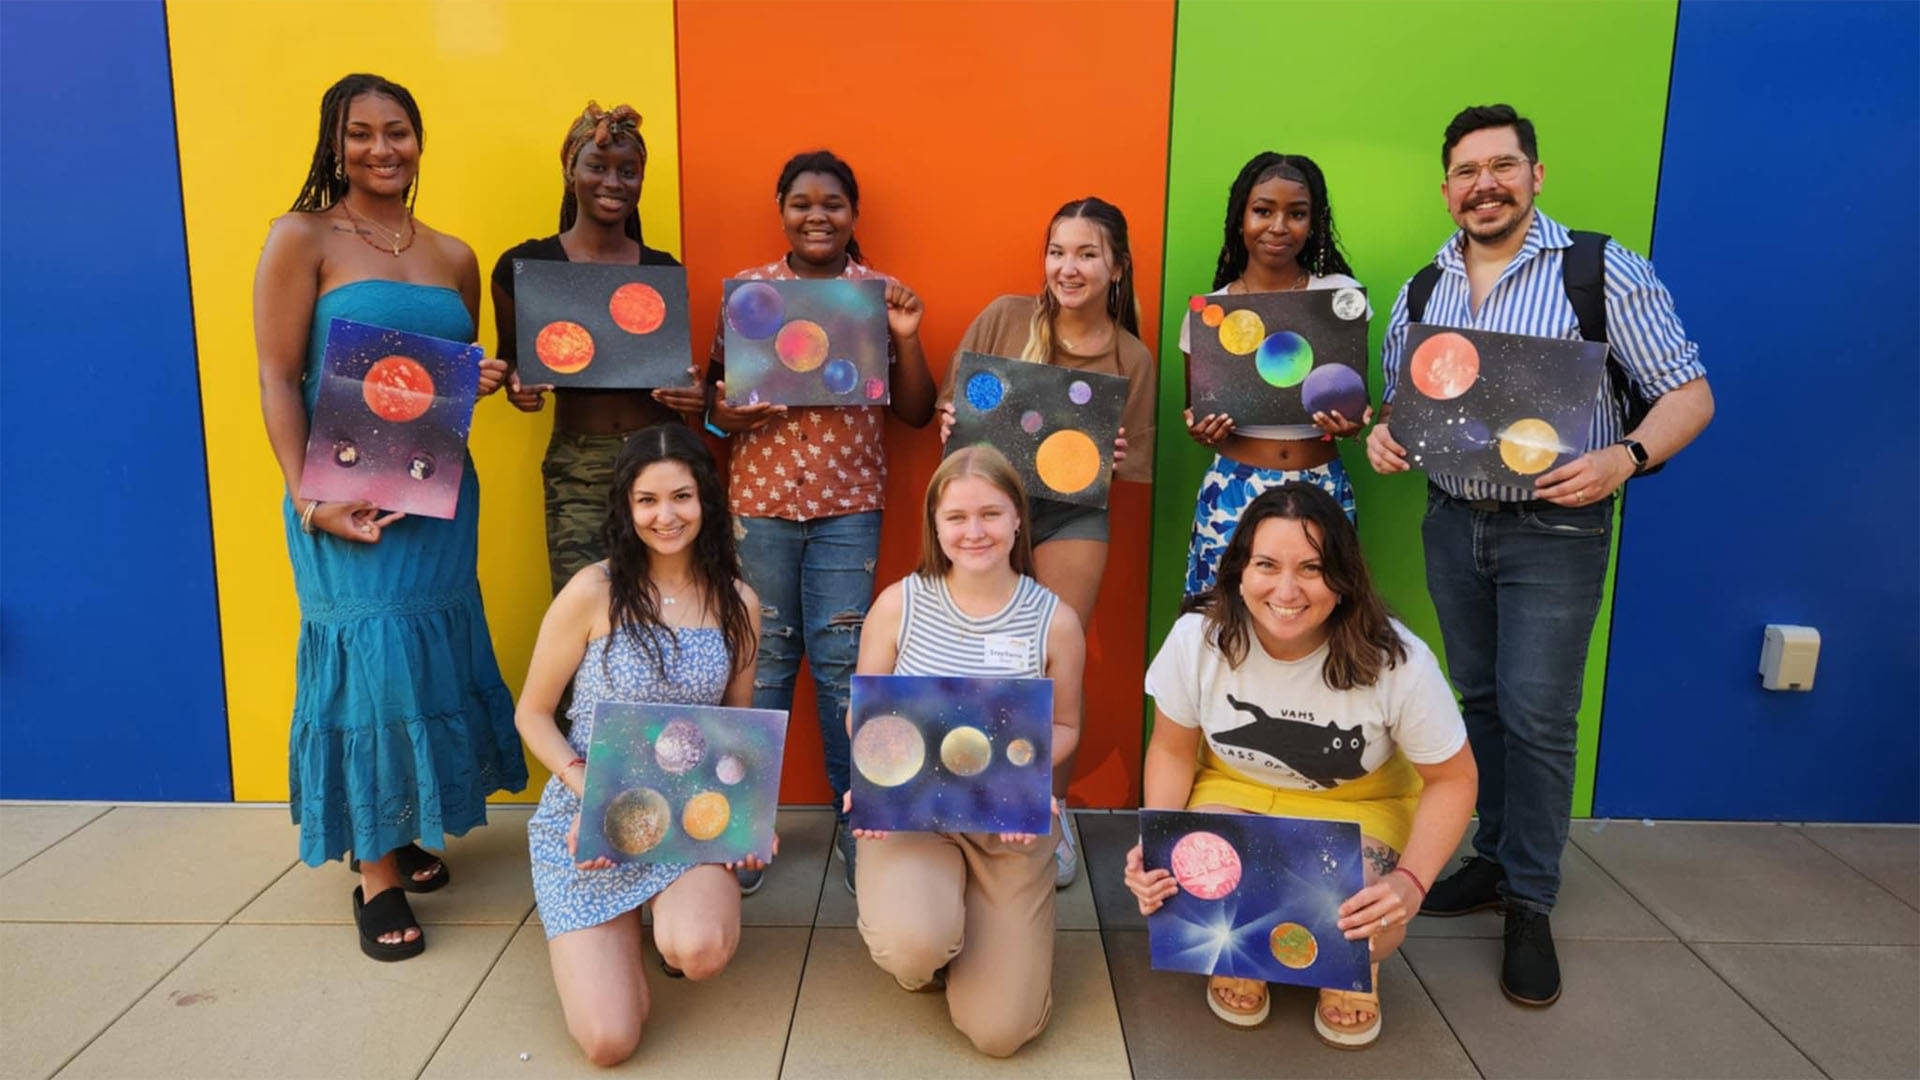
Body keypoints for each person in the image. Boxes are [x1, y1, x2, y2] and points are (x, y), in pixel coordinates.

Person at [1366, 104, 1713, 1006]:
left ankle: (1530, 899)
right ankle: (1490, 857)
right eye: (1467, 171)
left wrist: (1625, 457)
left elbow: (1690, 393)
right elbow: (1400, 411)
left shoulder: (1601, 270)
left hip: (1556, 529)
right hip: (1452, 520)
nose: (1485, 184)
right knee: (1476, 699)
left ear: (1534, 174)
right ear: (1445, 190)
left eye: (1502, 165)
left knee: (1538, 715)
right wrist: (1383, 438)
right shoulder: (1422, 289)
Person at [252, 73, 527, 960]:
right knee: (369, 660)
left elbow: (436, 382)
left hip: (436, 496)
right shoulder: (301, 238)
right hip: (340, 497)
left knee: (422, 655)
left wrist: (477, 378)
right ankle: (374, 871)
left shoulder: (454, 254)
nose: (382, 149)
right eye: (361, 133)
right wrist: (309, 497)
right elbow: (273, 374)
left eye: (398, 132)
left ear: (419, 139)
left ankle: (402, 827)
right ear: (334, 144)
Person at [1122, 483, 1476, 1046]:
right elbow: (1170, 747)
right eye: (1266, 564)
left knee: (1366, 921)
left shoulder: (1396, 659)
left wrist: (1410, 882)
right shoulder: (1199, 638)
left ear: (1342, 578)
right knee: (1187, 882)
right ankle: (1245, 955)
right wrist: (1159, 840)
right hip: (1234, 789)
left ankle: (1354, 969)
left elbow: (1454, 779)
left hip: (1360, 806)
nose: (1286, 590)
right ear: (1240, 570)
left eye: (1311, 568)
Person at [700, 150, 937, 894]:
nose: (817, 216)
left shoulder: (878, 296)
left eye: (832, 203)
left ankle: (855, 819)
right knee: (762, 664)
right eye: (801, 202)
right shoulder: (750, 295)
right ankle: (743, 825)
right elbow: (714, 408)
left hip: (847, 508)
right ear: (781, 209)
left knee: (844, 671)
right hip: (760, 506)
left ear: (853, 214)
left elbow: (917, 412)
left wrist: (902, 334)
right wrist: (726, 414)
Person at [515, 424, 767, 1067]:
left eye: (681, 496)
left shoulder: (738, 601)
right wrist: (590, 793)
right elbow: (533, 715)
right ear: (627, 509)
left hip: (687, 814)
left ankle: (667, 918)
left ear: (705, 500)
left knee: (699, 950)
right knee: (608, 1042)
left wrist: (746, 823)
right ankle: (618, 932)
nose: (666, 515)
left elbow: (735, 729)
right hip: (589, 808)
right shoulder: (593, 591)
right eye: (647, 501)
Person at [938, 196, 1158, 886]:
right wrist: (952, 417)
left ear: (1116, 267)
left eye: (1087, 254)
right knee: (977, 652)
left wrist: (1115, 451)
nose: (1069, 267)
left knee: (1053, 658)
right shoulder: (1005, 318)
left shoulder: (1132, 356)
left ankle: (1047, 808)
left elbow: (1136, 463)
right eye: (1058, 251)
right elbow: (955, 418)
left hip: (1072, 514)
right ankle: (971, 794)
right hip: (990, 510)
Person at [849, 445, 1085, 1057]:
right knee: (913, 945)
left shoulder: (1054, 620)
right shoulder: (899, 604)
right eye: (956, 517)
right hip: (915, 819)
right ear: (934, 524)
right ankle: (934, 939)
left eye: (990, 514)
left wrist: (1033, 787)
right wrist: (873, 779)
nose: (973, 531)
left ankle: (978, 938)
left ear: (1016, 521)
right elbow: (862, 715)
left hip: (1004, 827)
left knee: (1001, 1032)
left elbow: (1065, 726)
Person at [490, 101, 695, 597]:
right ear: (570, 172)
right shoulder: (525, 266)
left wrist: (696, 397)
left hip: (659, 456)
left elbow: (680, 375)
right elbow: (511, 360)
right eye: (597, 167)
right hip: (577, 466)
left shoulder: (662, 271)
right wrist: (516, 385)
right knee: (581, 605)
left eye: (629, 171)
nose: (613, 182)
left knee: (666, 600)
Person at [1179, 153, 1368, 596]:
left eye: (1297, 214)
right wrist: (1201, 429)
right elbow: (1196, 412)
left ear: (1313, 222)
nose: (1279, 227)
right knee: (1223, 621)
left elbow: (1357, 405)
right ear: (1239, 217)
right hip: (1233, 487)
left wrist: (1355, 424)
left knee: (1321, 617)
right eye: (1263, 210)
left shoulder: (1338, 297)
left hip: (1320, 485)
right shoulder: (1210, 311)